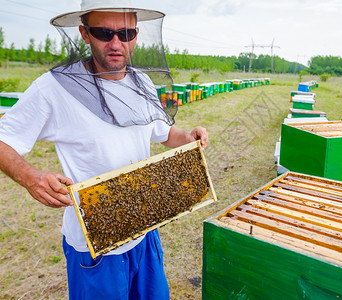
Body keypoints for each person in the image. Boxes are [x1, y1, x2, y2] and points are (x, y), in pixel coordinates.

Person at [0, 0, 207, 299]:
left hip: (145, 230)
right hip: (95, 246)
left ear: (135, 35)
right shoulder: (53, 88)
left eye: (125, 33)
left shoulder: (143, 83)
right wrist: (29, 176)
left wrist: (189, 136)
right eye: (103, 32)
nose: (115, 43)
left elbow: (164, 133)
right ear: (84, 33)